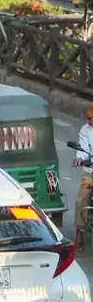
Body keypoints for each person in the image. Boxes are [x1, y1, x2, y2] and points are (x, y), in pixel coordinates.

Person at [73, 105, 93, 251]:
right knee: (81, 199)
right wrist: (80, 158)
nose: (87, 120)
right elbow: (83, 149)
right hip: (90, 171)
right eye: (86, 118)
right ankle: (79, 234)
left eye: (89, 117)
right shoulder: (85, 130)